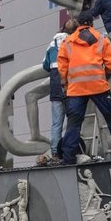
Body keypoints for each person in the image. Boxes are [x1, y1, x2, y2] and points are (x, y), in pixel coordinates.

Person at [56, 13, 111, 165]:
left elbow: (62, 67)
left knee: (73, 124)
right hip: (98, 86)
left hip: (76, 89)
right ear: (91, 23)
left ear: (78, 24)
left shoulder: (67, 42)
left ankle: (68, 158)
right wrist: (105, 74)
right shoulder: (101, 39)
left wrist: (66, 85)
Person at [41, 23, 69, 161]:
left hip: (55, 85)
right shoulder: (72, 41)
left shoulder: (51, 45)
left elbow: (45, 65)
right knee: (73, 120)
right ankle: (70, 148)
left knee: (57, 123)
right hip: (70, 85)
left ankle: (55, 152)